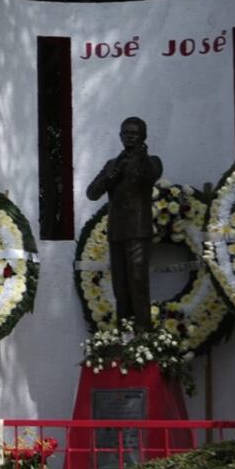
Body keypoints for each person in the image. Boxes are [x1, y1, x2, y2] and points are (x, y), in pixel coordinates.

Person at [86, 116, 163, 333]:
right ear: (120, 136)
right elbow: (92, 193)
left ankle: (143, 332)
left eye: (135, 134)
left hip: (138, 230)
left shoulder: (152, 161)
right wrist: (113, 173)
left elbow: (149, 176)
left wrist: (139, 157)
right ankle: (125, 331)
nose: (130, 137)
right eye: (126, 133)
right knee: (120, 286)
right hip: (117, 231)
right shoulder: (113, 164)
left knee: (138, 282)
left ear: (143, 137)